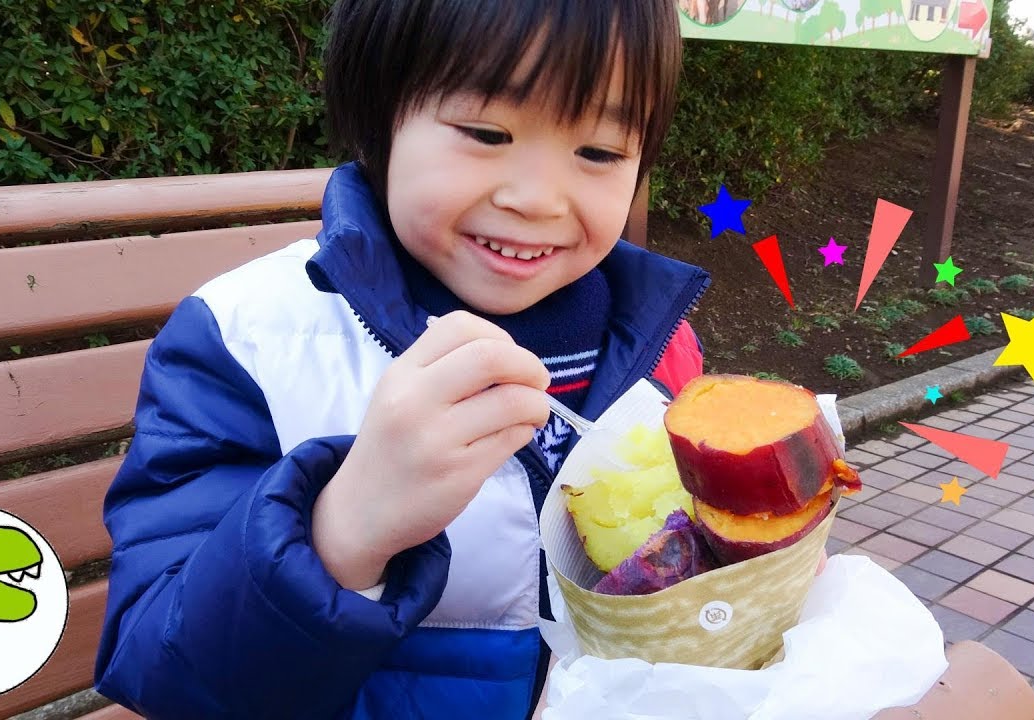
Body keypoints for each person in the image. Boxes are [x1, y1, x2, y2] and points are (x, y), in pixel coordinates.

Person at [93, 1, 712, 717]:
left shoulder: (662, 349)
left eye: (599, 153)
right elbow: (163, 671)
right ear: (379, 116)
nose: (538, 200)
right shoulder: (251, 339)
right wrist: (344, 529)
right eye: (486, 132)